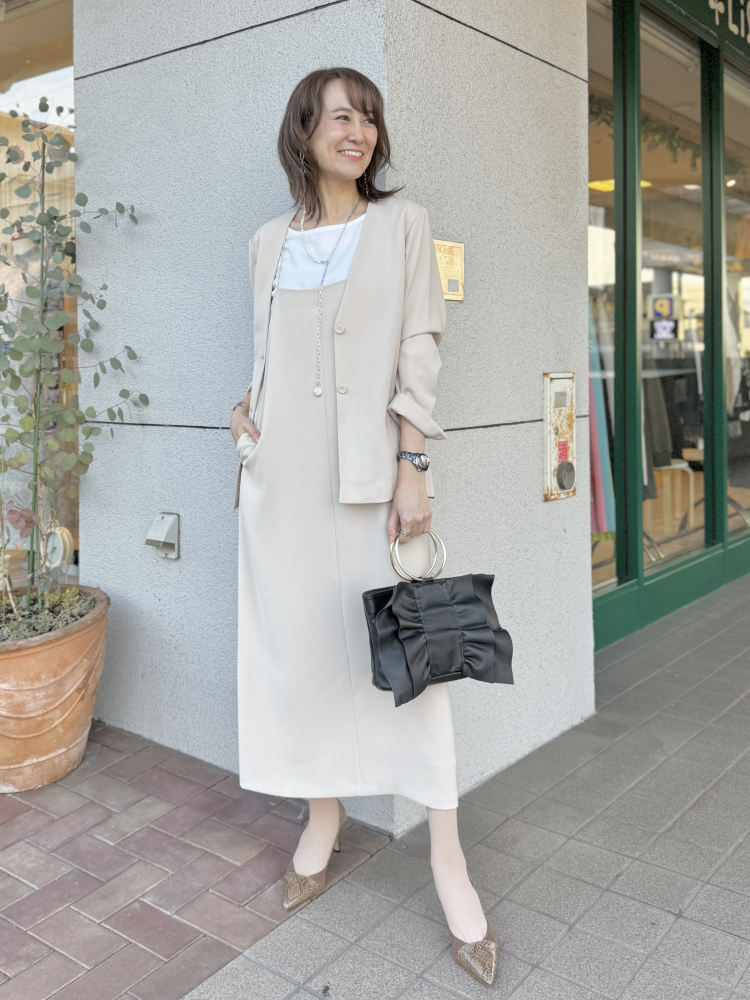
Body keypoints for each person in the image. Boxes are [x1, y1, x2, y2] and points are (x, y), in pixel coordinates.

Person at [229, 67, 497, 987]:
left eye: (370, 118)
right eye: (341, 116)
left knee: (411, 668)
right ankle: (324, 815)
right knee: (303, 656)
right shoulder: (266, 243)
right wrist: (244, 419)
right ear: (304, 130)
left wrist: (413, 467)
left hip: (376, 481)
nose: (360, 131)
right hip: (281, 491)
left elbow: (420, 347)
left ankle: (448, 859)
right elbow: (267, 357)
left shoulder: (402, 225)